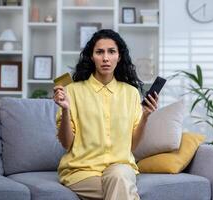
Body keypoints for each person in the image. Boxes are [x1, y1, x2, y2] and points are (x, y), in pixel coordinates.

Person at [53, 29, 158, 200]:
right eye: (99, 52)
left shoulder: (131, 93)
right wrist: (65, 109)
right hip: (82, 172)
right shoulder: (72, 91)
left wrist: (145, 116)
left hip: (121, 168)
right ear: (92, 57)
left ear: (119, 56)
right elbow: (66, 144)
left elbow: (132, 146)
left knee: (119, 177)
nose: (106, 58)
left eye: (111, 51)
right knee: (121, 188)